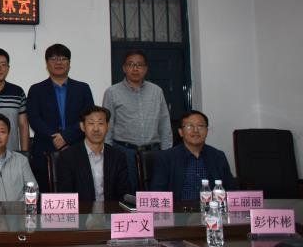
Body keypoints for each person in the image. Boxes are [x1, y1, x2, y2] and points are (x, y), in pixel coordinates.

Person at [26, 43, 94, 192]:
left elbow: (88, 118)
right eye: (54, 59)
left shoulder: (82, 89)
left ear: (69, 63)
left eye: (63, 58)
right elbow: (34, 118)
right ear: (47, 64)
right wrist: (55, 137)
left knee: (78, 193)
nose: (58, 62)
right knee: (46, 195)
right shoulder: (36, 89)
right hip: (45, 149)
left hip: (76, 147)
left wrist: (66, 137)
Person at [103, 49, 172, 191]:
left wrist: (167, 154)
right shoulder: (112, 92)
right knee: (127, 194)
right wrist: (108, 155)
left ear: (146, 68)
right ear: (124, 68)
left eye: (139, 65)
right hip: (124, 152)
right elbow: (107, 126)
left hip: (154, 152)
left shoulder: (156, 91)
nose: (135, 68)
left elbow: (164, 124)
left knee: (155, 192)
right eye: (131, 64)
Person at [151, 110, 237, 201]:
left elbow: (231, 190)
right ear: (180, 132)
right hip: (179, 208)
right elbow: (157, 193)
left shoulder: (218, 156)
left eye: (200, 126)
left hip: (211, 208)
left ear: (207, 131)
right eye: (189, 126)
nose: (195, 130)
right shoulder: (166, 158)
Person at [55, 106, 130, 202]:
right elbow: (66, 195)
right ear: (82, 126)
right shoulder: (67, 157)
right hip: (82, 210)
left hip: (110, 209)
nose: (96, 129)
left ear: (107, 126)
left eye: (101, 123)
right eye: (91, 123)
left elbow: (123, 193)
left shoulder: (118, 156)